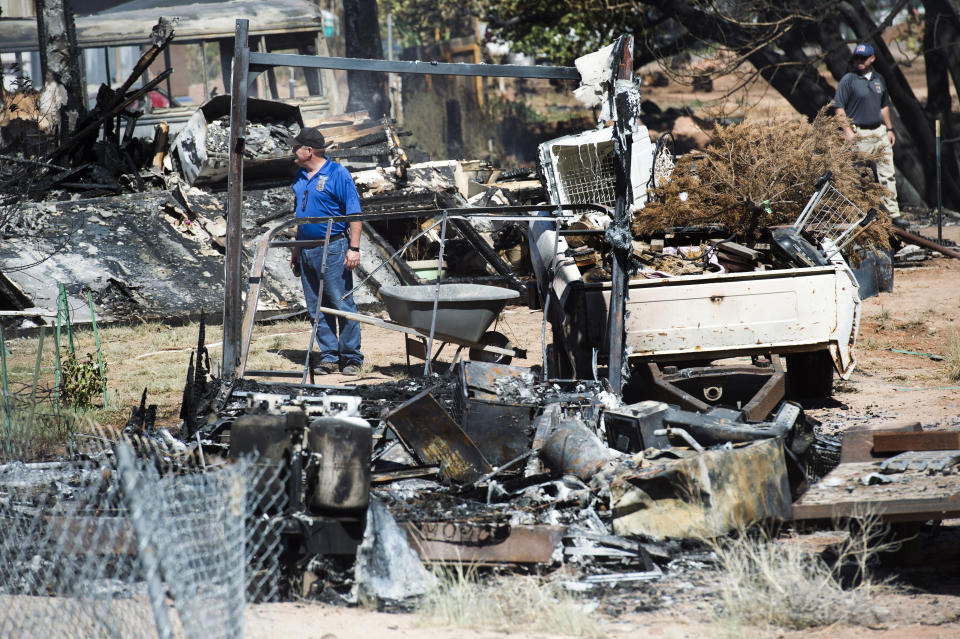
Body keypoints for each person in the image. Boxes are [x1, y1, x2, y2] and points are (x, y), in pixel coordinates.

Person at [288, 127, 364, 375]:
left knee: (341, 302)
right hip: (307, 251)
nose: (293, 151)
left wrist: (354, 248)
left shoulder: (338, 174)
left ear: (308, 151)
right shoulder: (300, 177)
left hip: (333, 248)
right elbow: (301, 216)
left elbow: (354, 213)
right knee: (316, 306)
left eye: (296, 147)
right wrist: (296, 250)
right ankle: (329, 356)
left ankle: (352, 358)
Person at [833, 43, 902, 221]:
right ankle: (856, 215)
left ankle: (893, 215)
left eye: (863, 58)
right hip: (859, 134)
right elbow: (839, 108)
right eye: (857, 58)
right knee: (858, 177)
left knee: (887, 174)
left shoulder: (879, 79)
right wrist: (847, 131)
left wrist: (889, 128)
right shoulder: (849, 80)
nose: (860, 61)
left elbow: (884, 106)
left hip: (879, 132)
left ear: (872, 59)